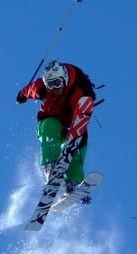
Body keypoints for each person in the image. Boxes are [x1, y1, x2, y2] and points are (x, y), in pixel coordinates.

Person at [16, 60, 96, 192]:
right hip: (50, 119)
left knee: (80, 140)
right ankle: (50, 166)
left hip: (72, 122)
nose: (55, 88)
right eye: (50, 85)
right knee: (49, 127)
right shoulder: (41, 87)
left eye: (57, 83)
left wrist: (79, 122)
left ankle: (73, 181)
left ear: (64, 79)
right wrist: (21, 95)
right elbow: (29, 90)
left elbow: (87, 103)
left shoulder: (77, 88)